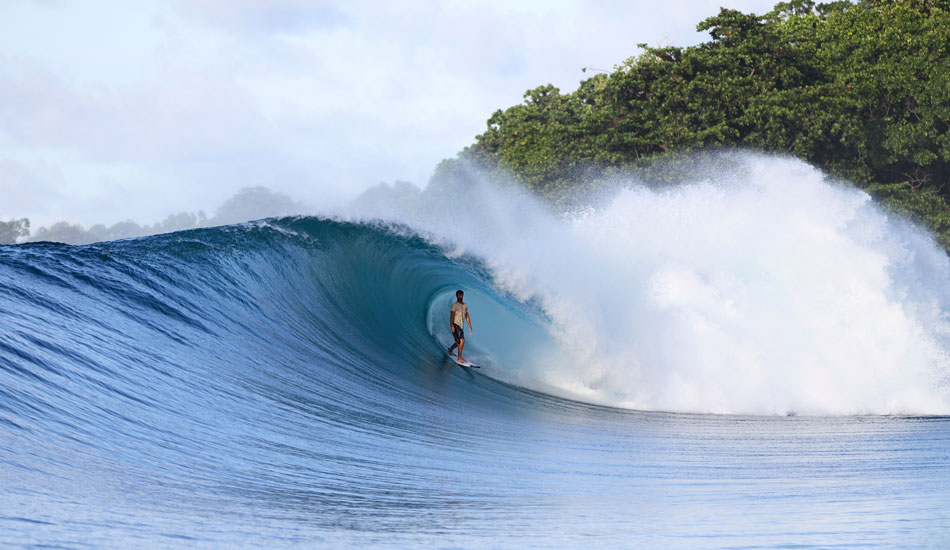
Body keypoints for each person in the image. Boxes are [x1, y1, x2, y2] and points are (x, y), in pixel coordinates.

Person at [447, 289, 473, 362]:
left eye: (460, 295)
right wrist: (452, 325)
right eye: (458, 295)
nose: (459, 296)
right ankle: (459, 358)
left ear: (463, 295)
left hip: (461, 326)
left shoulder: (465, 305)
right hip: (455, 324)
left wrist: (470, 326)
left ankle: (450, 349)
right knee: (462, 340)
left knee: (458, 342)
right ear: (456, 296)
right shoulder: (454, 305)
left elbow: (467, 316)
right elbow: (452, 316)